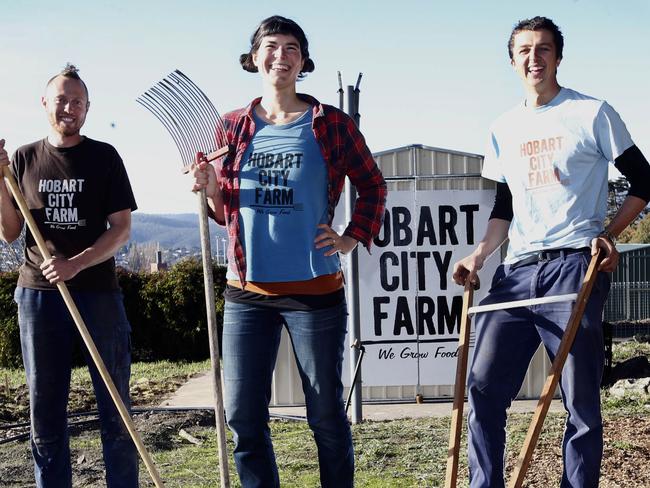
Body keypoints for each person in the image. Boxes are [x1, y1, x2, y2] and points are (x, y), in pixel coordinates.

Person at [452, 16, 650, 488]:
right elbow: (505, 206)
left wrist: (610, 234)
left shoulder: (592, 112)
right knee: (482, 386)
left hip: (573, 266)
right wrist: (478, 255)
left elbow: (644, 180)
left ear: (558, 57)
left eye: (543, 49)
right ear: (512, 61)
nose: (533, 57)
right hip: (516, 270)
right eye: (524, 50)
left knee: (578, 396)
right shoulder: (503, 127)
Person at [191, 15, 386, 488]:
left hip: (314, 293)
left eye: (292, 47)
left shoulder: (330, 124)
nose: (281, 55)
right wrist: (211, 188)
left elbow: (372, 185)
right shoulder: (232, 127)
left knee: (324, 414)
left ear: (303, 60)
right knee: (243, 417)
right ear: (254, 58)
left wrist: (350, 237)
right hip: (246, 292)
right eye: (271, 46)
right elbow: (223, 210)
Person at [0, 64, 138, 487]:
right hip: (39, 297)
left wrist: (75, 263)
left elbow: (121, 228)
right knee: (45, 411)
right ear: (45, 103)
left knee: (115, 409)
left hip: (97, 293)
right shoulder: (23, 157)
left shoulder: (104, 157)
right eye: (61, 99)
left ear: (88, 108)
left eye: (78, 101)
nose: (69, 107)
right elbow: (10, 231)